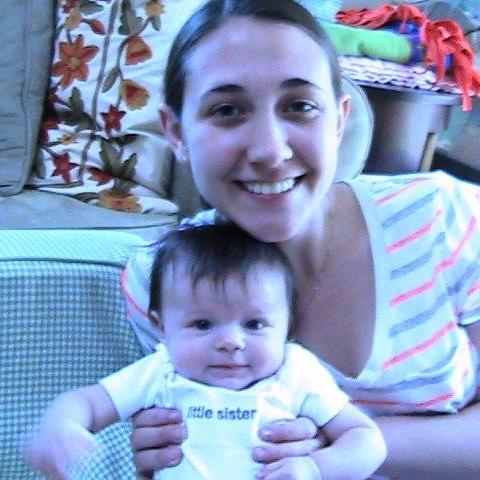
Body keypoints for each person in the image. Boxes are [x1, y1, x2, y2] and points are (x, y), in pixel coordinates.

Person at [118, 1, 480, 479]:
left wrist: (343, 442)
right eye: (226, 111)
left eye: (300, 106)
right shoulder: (162, 277)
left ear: (339, 119)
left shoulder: (447, 218)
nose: (271, 151)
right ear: (176, 132)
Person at [23, 223, 386, 480]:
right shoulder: (161, 371)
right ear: (161, 326)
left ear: (288, 326)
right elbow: (87, 402)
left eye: (254, 324)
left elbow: (367, 441)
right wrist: (60, 424)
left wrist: (316, 467)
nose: (230, 342)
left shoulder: (295, 372)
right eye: (202, 324)